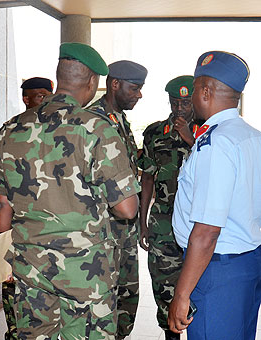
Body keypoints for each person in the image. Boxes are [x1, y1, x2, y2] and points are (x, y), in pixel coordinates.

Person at [0, 42, 140, 339]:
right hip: (83, 272)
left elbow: (3, 203)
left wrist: (1, 261)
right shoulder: (95, 128)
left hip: (29, 266)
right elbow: (127, 208)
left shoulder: (11, 129)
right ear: (93, 81)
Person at [168, 51, 261, 339]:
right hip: (247, 263)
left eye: (195, 90)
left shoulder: (216, 142)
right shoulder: (251, 136)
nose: (193, 98)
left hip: (217, 270)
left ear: (205, 92)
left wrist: (182, 294)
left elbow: (207, 231)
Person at [87, 60, 147, 339]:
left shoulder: (119, 119)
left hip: (125, 233)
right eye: (135, 88)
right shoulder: (92, 121)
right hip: (102, 234)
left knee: (126, 302)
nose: (139, 95)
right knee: (102, 310)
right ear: (114, 84)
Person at [138, 76, 200, 340]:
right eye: (175, 103)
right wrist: (143, 221)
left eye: (186, 103)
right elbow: (147, 179)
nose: (180, 109)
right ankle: (171, 335)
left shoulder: (208, 134)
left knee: (199, 288)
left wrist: (189, 138)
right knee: (164, 286)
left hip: (200, 224)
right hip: (163, 224)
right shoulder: (154, 133)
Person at [0, 76, 54, 340]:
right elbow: (3, 202)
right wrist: (1, 255)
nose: (42, 100)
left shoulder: (66, 129)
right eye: (37, 95)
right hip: (22, 244)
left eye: (46, 94)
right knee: (18, 321)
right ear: (25, 98)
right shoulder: (9, 131)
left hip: (58, 246)